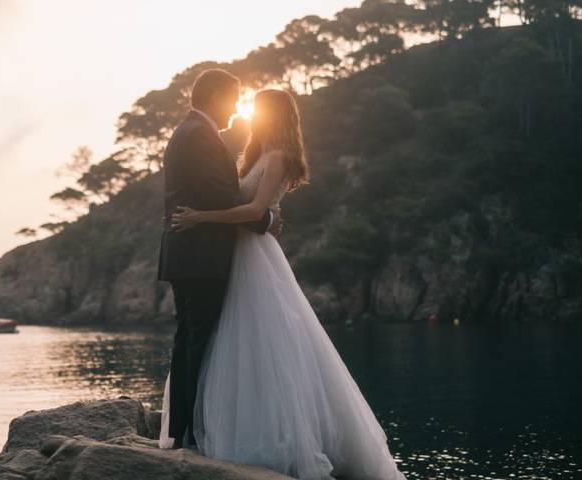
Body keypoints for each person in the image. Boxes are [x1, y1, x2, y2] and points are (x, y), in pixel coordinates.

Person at [159, 87, 407, 480]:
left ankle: (270, 434)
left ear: (275, 115)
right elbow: (250, 208)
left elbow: (254, 210)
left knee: (262, 342)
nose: (250, 116)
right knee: (233, 342)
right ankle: (220, 425)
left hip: (253, 258)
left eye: (258, 110)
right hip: (235, 254)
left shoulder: (279, 158)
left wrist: (201, 217)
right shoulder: (255, 154)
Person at [156, 68, 282, 449]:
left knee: (189, 339)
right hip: (200, 255)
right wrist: (267, 218)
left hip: (188, 253)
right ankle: (194, 429)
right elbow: (220, 196)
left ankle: (183, 428)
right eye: (232, 98)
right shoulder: (200, 137)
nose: (235, 107)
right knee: (200, 340)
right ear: (214, 98)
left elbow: (214, 194)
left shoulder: (188, 132)